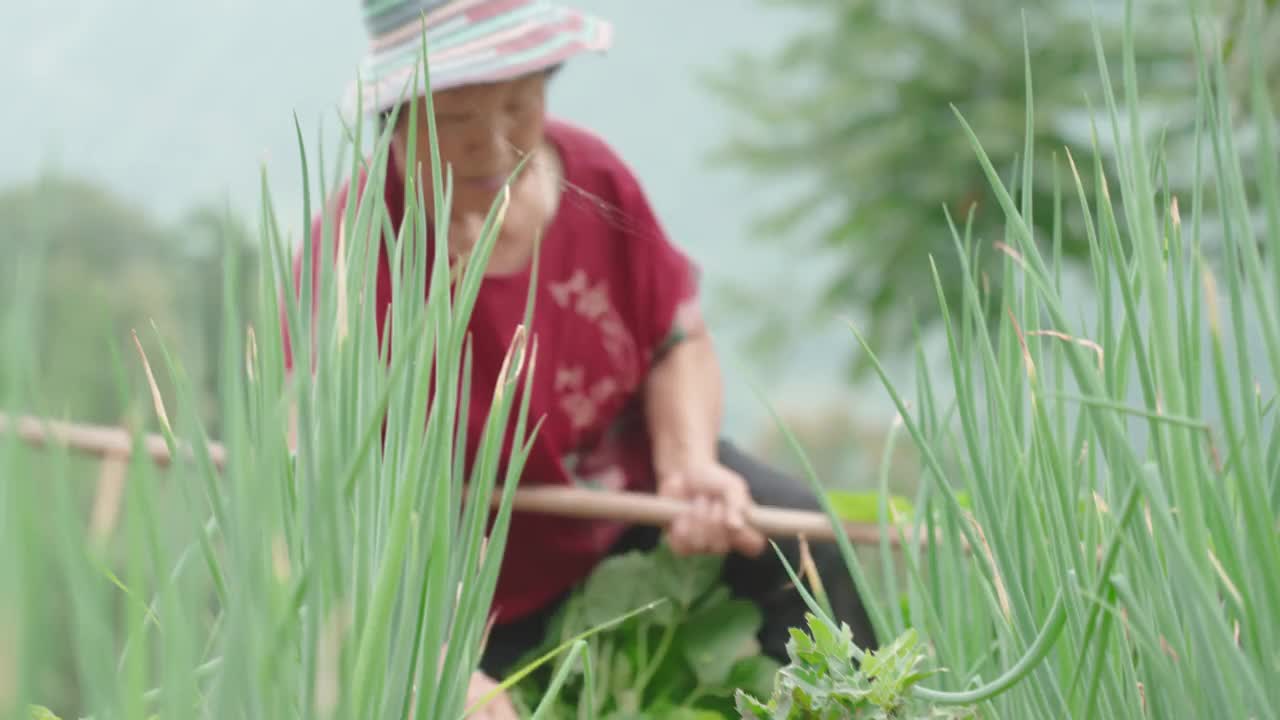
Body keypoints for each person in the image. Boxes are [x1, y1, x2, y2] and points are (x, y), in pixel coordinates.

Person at [286, 1, 878, 717]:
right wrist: (426, 653)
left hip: (624, 496)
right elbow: (318, 481)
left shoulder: (592, 177)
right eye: (456, 119)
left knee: (796, 539)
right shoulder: (352, 258)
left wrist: (688, 466)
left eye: (519, 104)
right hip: (465, 576)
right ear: (397, 117)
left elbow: (676, 339)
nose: (496, 142)